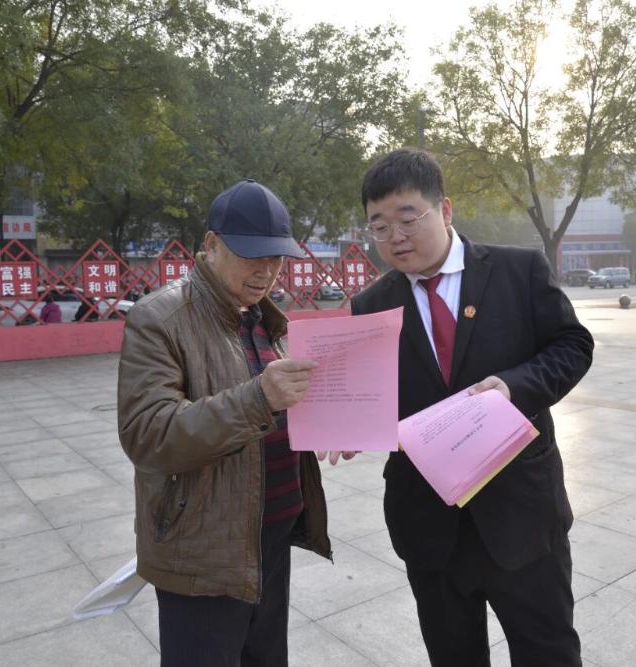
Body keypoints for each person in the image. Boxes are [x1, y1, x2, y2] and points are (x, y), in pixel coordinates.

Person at [345, 149, 594, 665]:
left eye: (407, 218)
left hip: (521, 517)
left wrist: (515, 387)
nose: (395, 237)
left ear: (445, 209)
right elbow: (369, 394)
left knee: (548, 653)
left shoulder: (518, 271)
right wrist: (349, 424)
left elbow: (573, 346)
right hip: (429, 525)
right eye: (379, 226)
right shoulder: (371, 305)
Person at [117, 179, 330, 666]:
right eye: (251, 254)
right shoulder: (160, 319)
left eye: (276, 258)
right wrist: (260, 397)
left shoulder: (262, 318)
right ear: (210, 245)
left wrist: (321, 424)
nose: (266, 270)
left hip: (270, 539)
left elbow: (270, 416)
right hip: (204, 552)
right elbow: (149, 434)